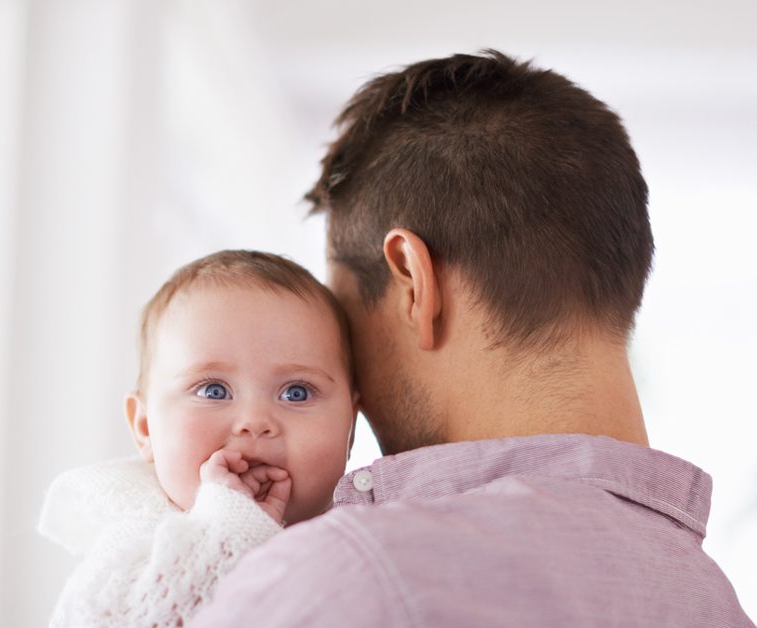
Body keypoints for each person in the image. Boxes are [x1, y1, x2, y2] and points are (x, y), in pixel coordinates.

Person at [191, 50, 753, 627]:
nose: (349, 377)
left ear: (413, 282)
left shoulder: (348, 573)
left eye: (348, 319)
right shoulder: (713, 601)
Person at [37, 250, 357, 627]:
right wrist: (226, 530)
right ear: (145, 429)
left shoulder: (363, 544)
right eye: (214, 391)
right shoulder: (135, 544)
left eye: (297, 393)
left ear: (350, 427)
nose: (255, 422)